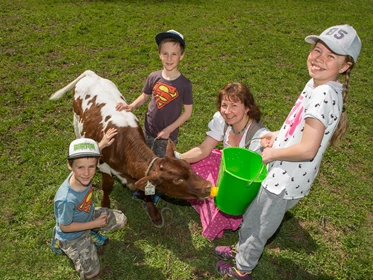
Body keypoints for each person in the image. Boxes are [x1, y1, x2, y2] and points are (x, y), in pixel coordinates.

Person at [215, 24, 361, 279]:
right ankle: (241, 250)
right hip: (280, 170)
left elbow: (307, 149)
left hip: (285, 179)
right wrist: (277, 137)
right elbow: (296, 126)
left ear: (345, 66)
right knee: (252, 215)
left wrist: (274, 154)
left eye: (331, 56)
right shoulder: (316, 84)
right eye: (318, 50)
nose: (319, 59)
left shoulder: (324, 94)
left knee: (259, 225)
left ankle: (241, 269)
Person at [180, 82, 269, 241]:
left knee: (221, 206)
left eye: (234, 105)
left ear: (247, 107)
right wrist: (177, 159)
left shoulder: (259, 137)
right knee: (192, 169)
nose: (227, 111)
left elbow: (255, 178)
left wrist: (226, 191)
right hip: (225, 169)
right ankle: (207, 205)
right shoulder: (222, 120)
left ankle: (226, 215)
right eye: (224, 105)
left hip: (243, 184)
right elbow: (204, 149)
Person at [52, 129, 128, 279]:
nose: (87, 173)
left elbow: (88, 159)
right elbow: (65, 226)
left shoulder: (83, 172)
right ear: (70, 166)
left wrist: (103, 143)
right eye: (80, 167)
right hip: (71, 235)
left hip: (88, 215)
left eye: (92, 167)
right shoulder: (66, 199)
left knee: (122, 220)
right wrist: (94, 223)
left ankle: (91, 233)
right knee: (92, 273)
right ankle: (60, 243)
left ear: (96, 164)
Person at [116, 29, 193, 158]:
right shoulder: (154, 77)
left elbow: (187, 113)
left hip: (167, 136)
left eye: (174, 54)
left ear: (182, 56)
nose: (169, 58)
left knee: (163, 166)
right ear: (159, 54)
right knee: (146, 159)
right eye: (165, 53)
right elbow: (145, 96)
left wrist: (169, 130)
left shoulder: (185, 84)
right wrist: (132, 106)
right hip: (149, 130)